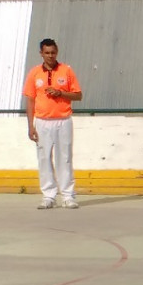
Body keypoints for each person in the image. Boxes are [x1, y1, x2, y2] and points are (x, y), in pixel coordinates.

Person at [22, 38, 82, 209]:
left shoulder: (66, 71)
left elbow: (78, 95)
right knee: (44, 158)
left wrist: (60, 93)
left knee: (65, 158)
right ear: (41, 53)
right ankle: (48, 195)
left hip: (63, 120)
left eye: (53, 52)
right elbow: (30, 100)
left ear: (57, 52)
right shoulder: (34, 73)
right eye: (47, 53)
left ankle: (68, 195)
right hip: (42, 121)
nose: (50, 56)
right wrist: (30, 125)